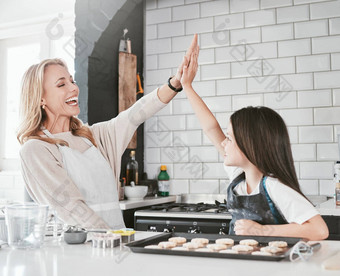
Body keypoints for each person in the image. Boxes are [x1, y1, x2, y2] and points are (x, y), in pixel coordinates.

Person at [17, 35, 199, 229]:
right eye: (62, 84)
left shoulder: (93, 137)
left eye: (72, 81)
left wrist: (175, 83)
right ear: (40, 99)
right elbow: (72, 209)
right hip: (78, 253)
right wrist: (110, 240)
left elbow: (134, 115)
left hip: (111, 246)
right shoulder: (36, 149)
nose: (74, 88)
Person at [180, 45, 329, 241]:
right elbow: (210, 128)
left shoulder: (274, 187)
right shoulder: (239, 178)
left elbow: (320, 231)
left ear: (250, 147)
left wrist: (263, 231)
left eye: (230, 138)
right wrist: (187, 86)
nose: (224, 143)